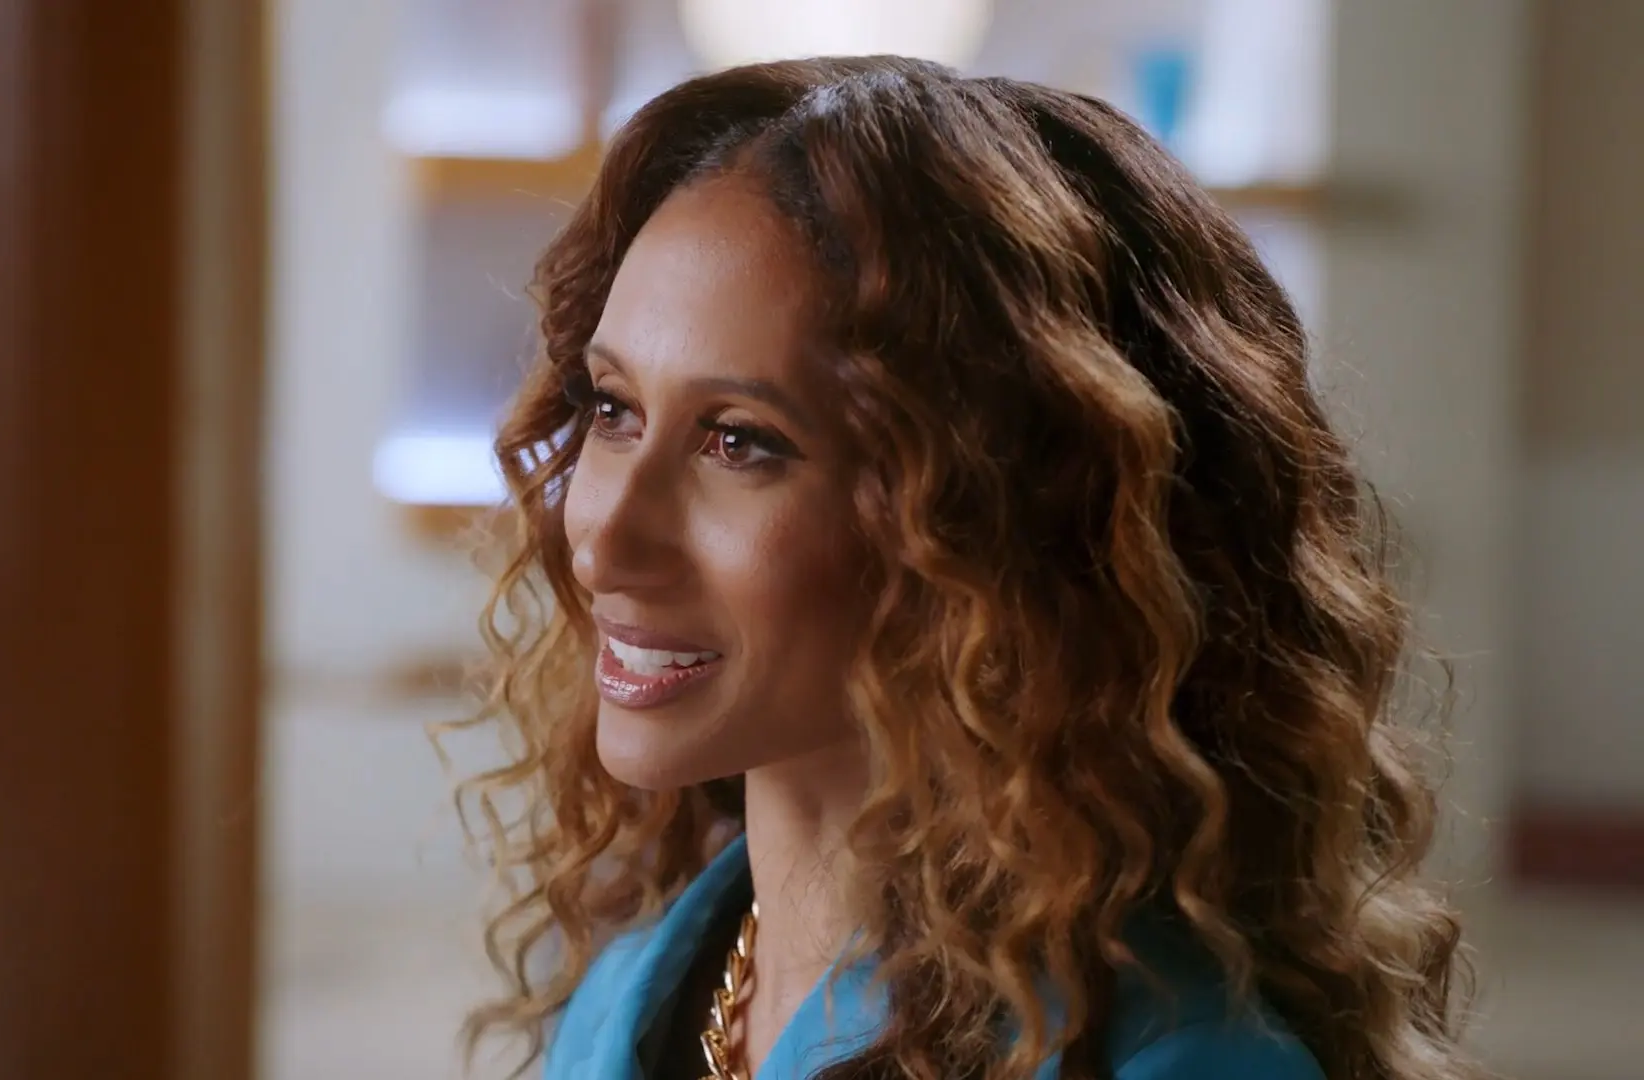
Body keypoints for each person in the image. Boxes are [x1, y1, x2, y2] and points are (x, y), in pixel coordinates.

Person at [443, 56, 1479, 1080]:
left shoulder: (1178, 1063)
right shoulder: (625, 1000)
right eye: (614, 408)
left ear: (1000, 521)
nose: (603, 541)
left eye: (740, 441)